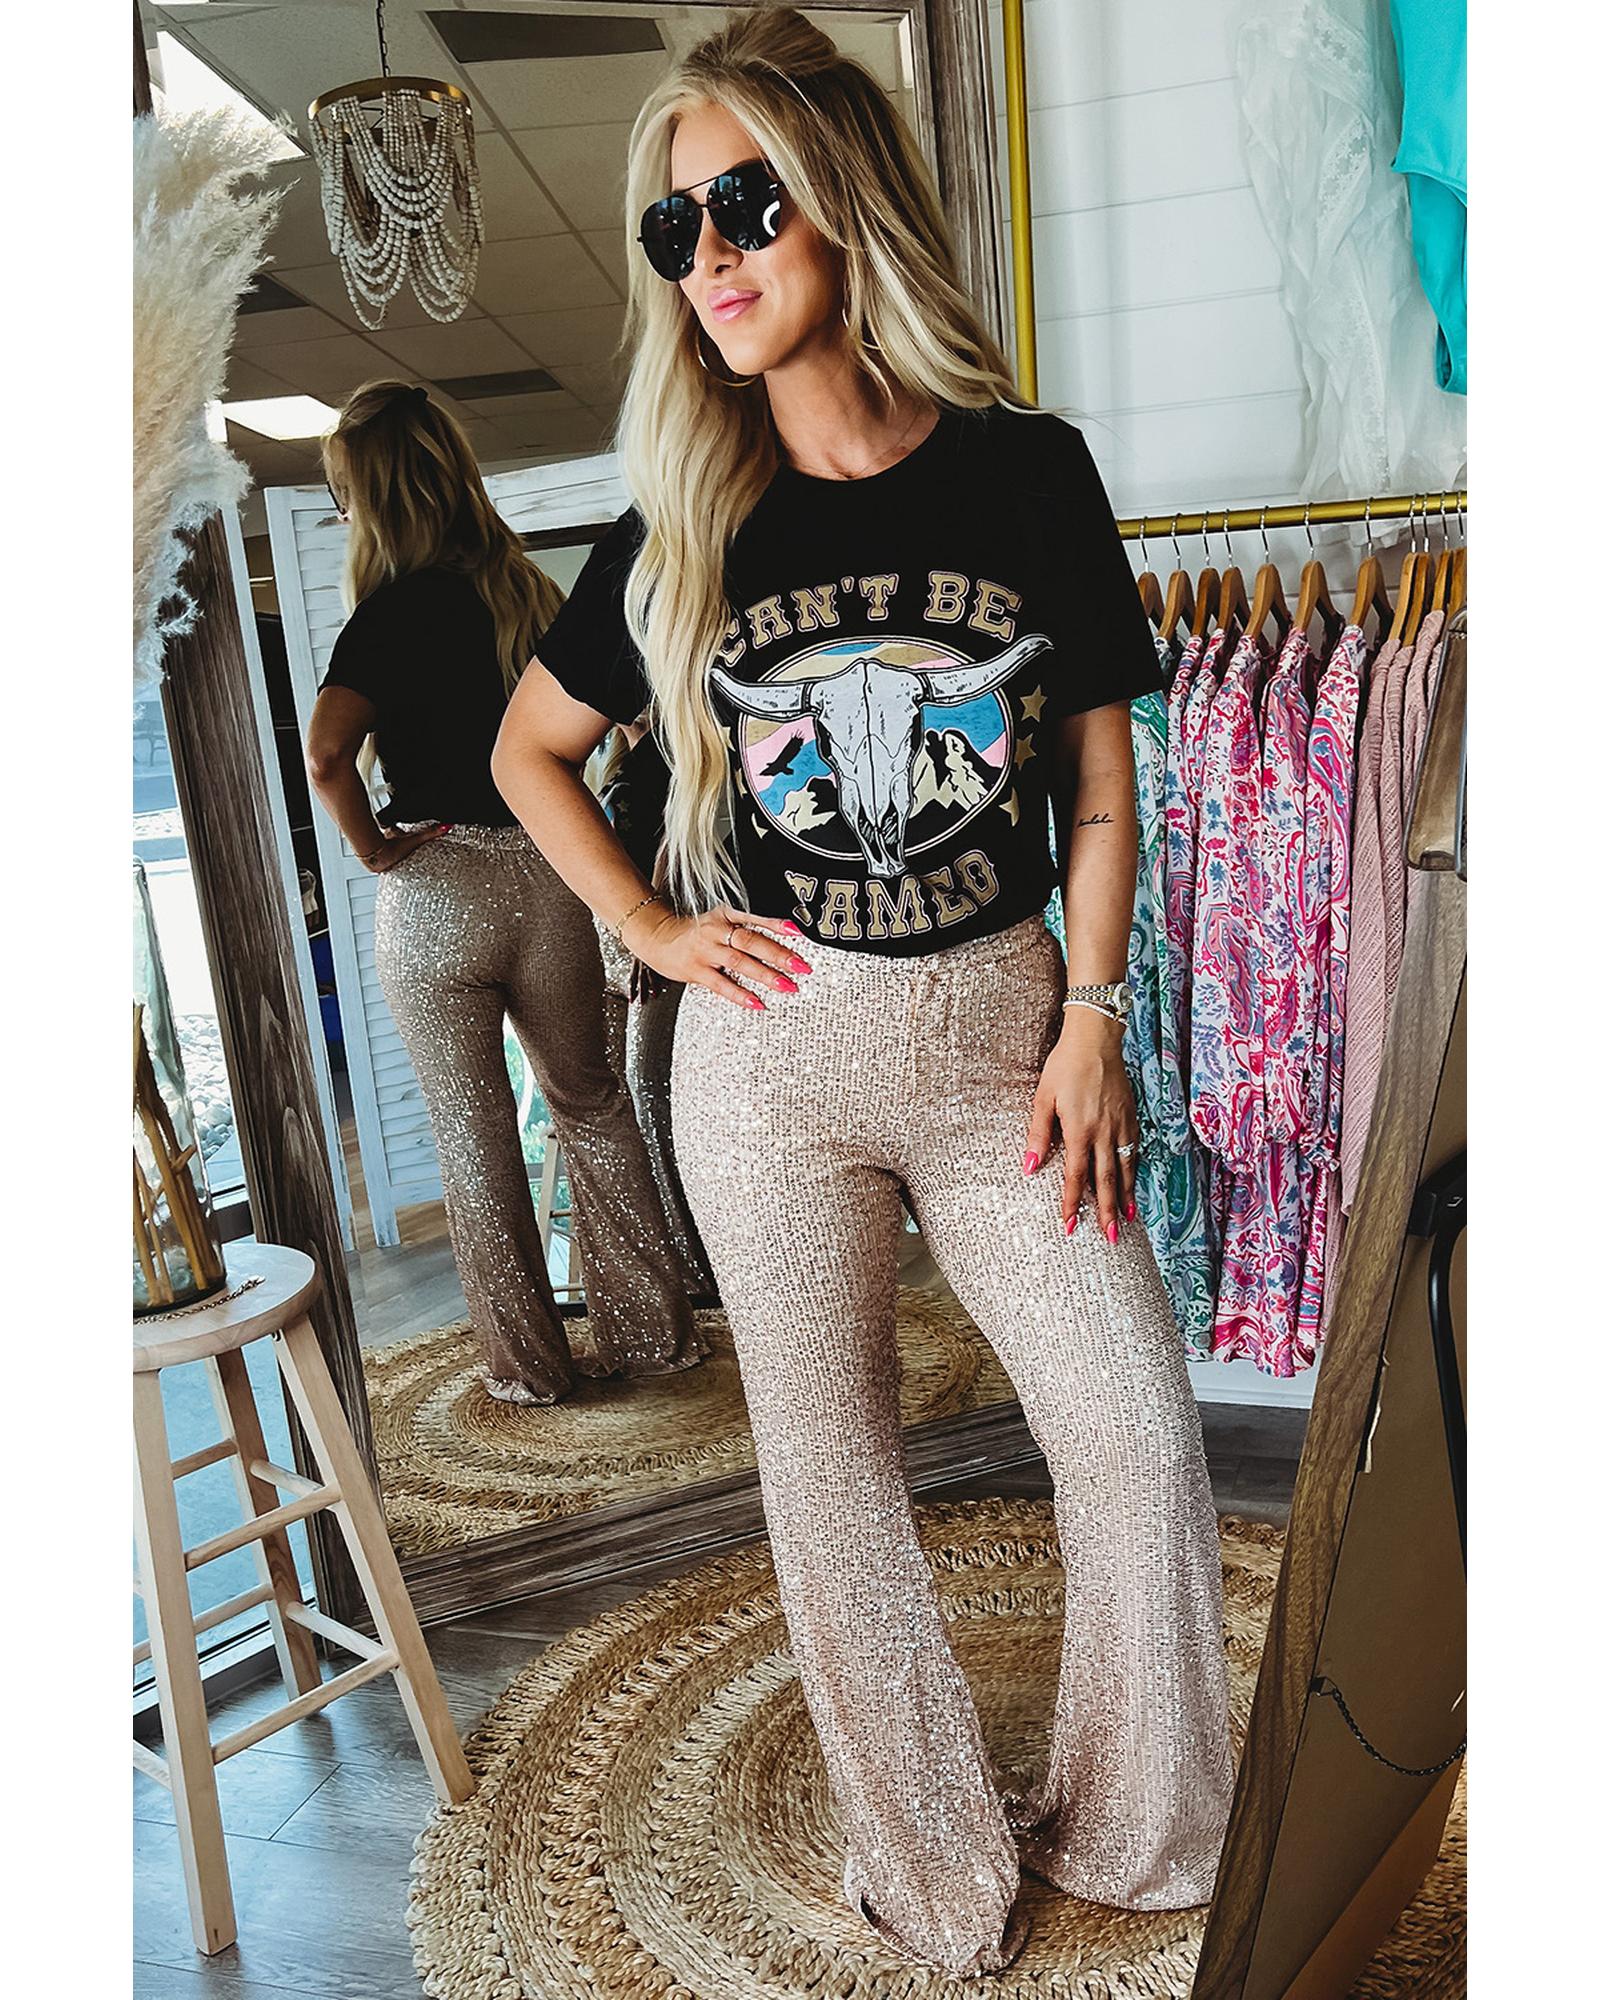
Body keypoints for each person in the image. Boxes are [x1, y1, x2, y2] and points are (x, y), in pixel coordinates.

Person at [490, 10, 1235, 1977]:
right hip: (772, 1069)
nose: (711, 257)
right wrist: (650, 932)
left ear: (842, 203)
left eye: (746, 205)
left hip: (1003, 1044)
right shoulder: (682, 529)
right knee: (831, 1488)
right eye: (674, 229)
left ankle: (1143, 1830)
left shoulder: (1022, 474)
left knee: (1136, 1435)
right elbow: (522, 752)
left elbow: (1096, 782)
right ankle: (933, 1867)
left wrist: (1093, 1013)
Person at [306, 379, 706, 1405]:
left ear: (373, 497)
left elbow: (326, 754)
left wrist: (373, 847)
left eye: (345, 495)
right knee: (593, 1103)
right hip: (548, 875)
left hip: (439, 885)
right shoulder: (528, 596)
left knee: (473, 1131)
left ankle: (531, 1371)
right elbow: (633, 724)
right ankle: (655, 1338)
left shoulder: (385, 615)